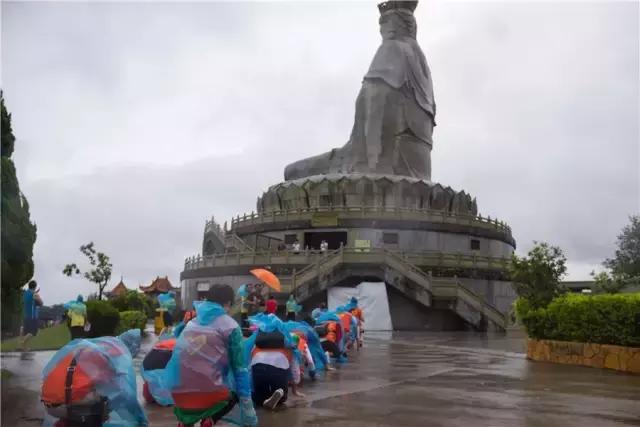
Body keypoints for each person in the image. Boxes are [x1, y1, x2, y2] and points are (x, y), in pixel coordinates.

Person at [166, 284, 257, 427]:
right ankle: (210, 419)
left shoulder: (192, 323)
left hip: (178, 394)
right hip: (209, 396)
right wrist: (248, 410)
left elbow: (176, 338)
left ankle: (184, 422)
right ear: (228, 303)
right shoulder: (231, 327)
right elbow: (240, 371)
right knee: (233, 390)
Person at [41, 329, 147, 427]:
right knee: (108, 399)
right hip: (67, 402)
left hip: (50, 401)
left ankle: (71, 421)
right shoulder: (110, 355)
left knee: (97, 393)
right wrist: (139, 419)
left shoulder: (95, 348)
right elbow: (123, 394)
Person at [245, 314, 301, 411]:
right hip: (279, 368)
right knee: (282, 397)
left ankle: (263, 399)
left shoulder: (257, 342)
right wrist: (295, 389)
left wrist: (251, 387)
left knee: (258, 398)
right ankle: (278, 395)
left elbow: (249, 368)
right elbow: (294, 368)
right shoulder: (288, 342)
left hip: (258, 366)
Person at [21, 280, 43, 352]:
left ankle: (24, 348)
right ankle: (23, 341)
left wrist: (35, 293)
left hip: (26, 315)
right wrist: (37, 295)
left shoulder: (25, 293)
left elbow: (28, 300)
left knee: (26, 332)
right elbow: (41, 303)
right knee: (33, 332)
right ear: (35, 286)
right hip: (32, 316)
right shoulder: (34, 294)